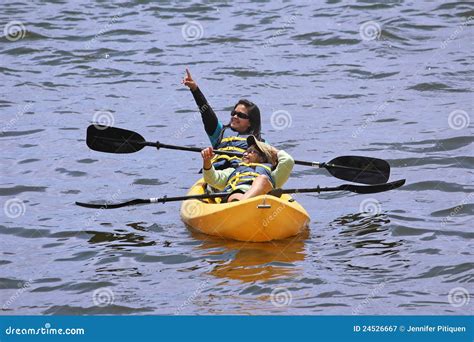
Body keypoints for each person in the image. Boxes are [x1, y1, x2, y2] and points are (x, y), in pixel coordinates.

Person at [182, 68, 263, 170]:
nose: (235, 116)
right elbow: (206, 112)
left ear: (250, 122)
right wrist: (194, 89)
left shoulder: (259, 142)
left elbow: (275, 161)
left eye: (240, 115)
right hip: (217, 173)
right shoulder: (219, 132)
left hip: (241, 172)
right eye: (234, 113)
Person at [201, 136, 294, 202]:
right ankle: (245, 203)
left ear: (262, 158)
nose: (245, 154)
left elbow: (288, 160)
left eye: (251, 152)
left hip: (259, 197)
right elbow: (211, 179)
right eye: (246, 151)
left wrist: (272, 151)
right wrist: (207, 161)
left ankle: (246, 202)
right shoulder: (233, 171)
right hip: (236, 195)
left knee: (263, 180)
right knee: (235, 197)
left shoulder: (273, 175)